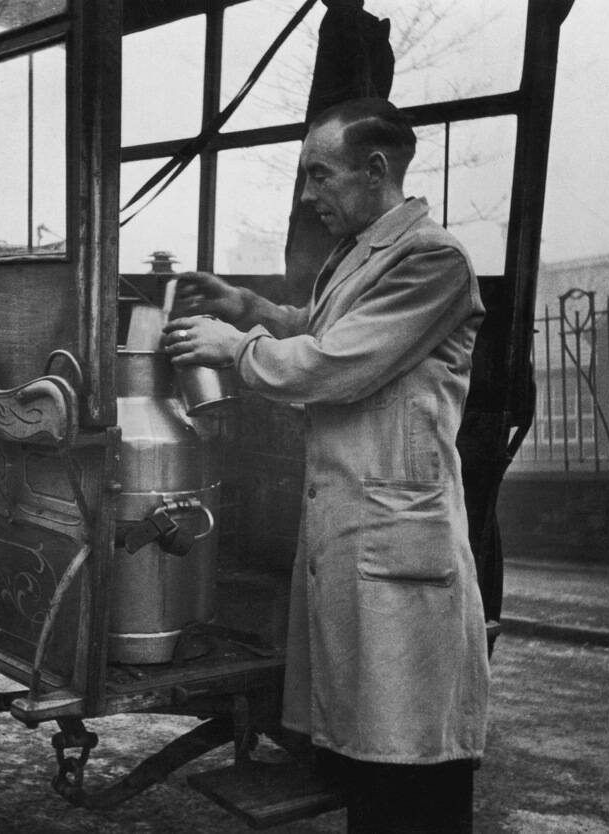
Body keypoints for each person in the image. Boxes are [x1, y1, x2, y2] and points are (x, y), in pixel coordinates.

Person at [163, 98, 488, 833]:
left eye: (321, 175)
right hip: (361, 540)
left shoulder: (433, 259)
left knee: (416, 772)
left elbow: (339, 363)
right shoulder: (366, 253)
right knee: (374, 769)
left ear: (376, 171)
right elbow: (324, 327)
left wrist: (234, 348)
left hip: (400, 546)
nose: (309, 197)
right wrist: (249, 305)